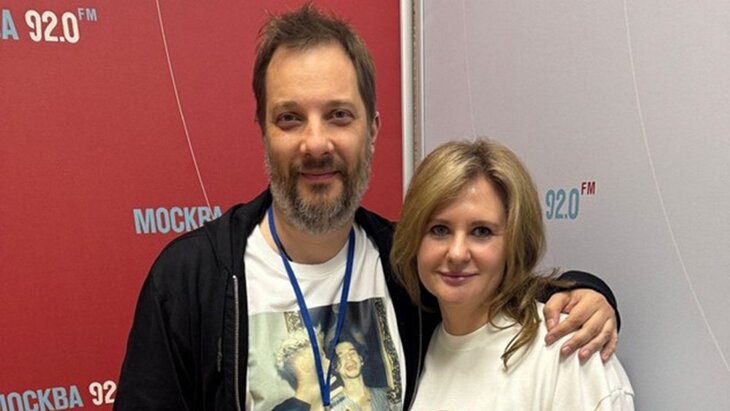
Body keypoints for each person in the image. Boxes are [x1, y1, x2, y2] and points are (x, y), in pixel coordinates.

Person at [114, 4, 621, 410]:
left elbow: (497, 290)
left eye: (339, 115)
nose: (316, 143)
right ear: (263, 131)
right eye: (290, 118)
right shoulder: (191, 280)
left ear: (372, 129)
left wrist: (588, 294)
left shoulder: (407, 264)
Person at [391, 140, 634, 410]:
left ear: (515, 242)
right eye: (439, 230)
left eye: (481, 231)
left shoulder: (566, 353)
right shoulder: (412, 348)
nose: (457, 253)